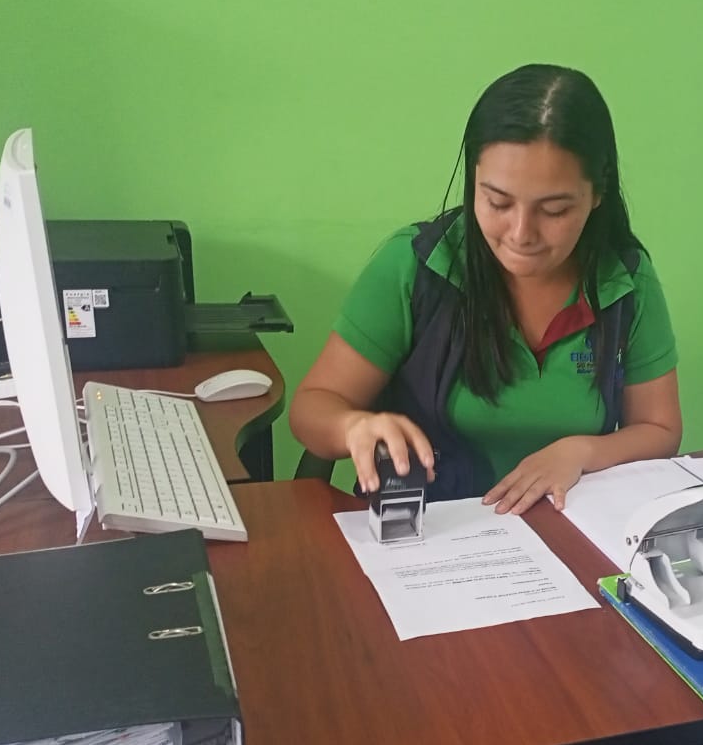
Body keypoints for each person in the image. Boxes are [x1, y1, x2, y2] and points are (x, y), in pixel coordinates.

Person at [290, 63, 681, 515]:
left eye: (554, 210)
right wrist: (353, 427)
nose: (521, 233)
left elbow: (660, 429)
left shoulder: (623, 281)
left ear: (597, 194)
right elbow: (311, 408)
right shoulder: (418, 266)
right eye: (497, 202)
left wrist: (582, 452)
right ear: (472, 181)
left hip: (564, 527)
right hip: (430, 527)